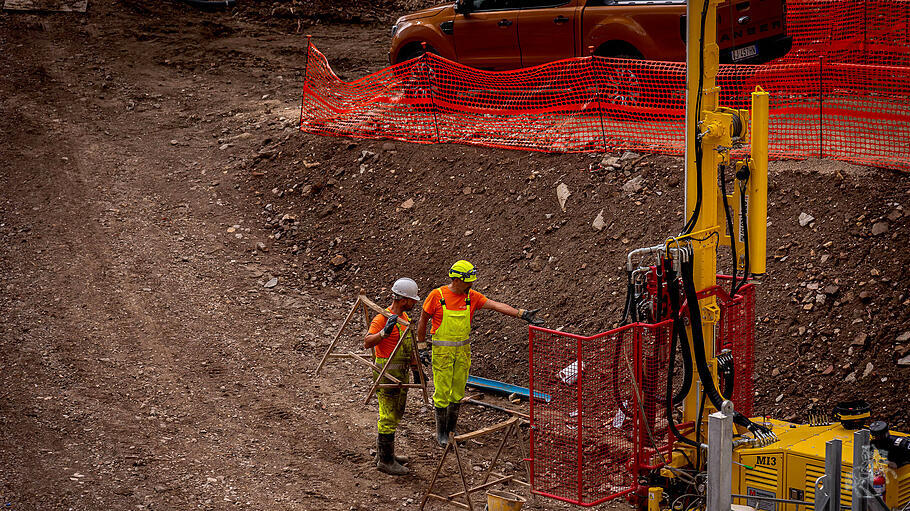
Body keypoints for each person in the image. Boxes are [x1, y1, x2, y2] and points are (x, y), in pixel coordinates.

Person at [417, 260, 543, 447]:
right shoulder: (437, 296)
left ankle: (452, 429)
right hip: (442, 352)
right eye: (468, 281)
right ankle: (441, 433)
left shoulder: (471, 296)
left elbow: (495, 305)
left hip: (462, 352)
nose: (471, 285)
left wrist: (521, 314)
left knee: (458, 391)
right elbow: (423, 320)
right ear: (457, 279)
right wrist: (421, 346)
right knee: (442, 391)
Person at [363, 277, 421, 475]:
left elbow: (409, 346)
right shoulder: (382, 318)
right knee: (387, 415)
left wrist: (416, 370)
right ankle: (385, 461)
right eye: (413, 300)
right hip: (386, 372)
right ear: (403, 299)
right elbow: (367, 342)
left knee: (397, 412)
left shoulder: (405, 319)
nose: (414, 303)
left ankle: (386, 454)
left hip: (400, 372)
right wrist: (383, 334)